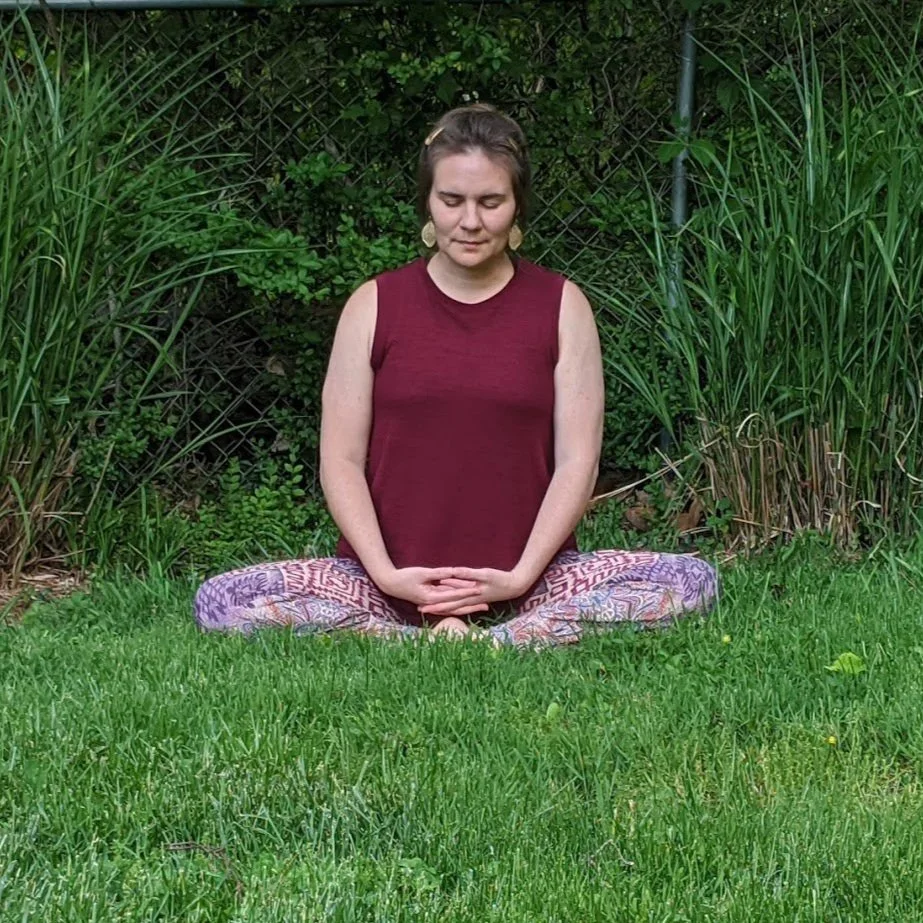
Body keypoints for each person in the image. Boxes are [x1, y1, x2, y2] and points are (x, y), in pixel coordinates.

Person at [193, 104, 717, 647]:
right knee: (223, 600)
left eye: (491, 202)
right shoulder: (373, 305)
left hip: (532, 584)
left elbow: (577, 464)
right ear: (428, 203)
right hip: (383, 585)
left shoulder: (562, 306)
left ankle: (499, 634)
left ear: (517, 208)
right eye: (452, 201)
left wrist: (519, 576)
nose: (470, 222)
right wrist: (388, 574)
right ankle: (423, 635)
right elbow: (340, 461)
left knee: (690, 582)